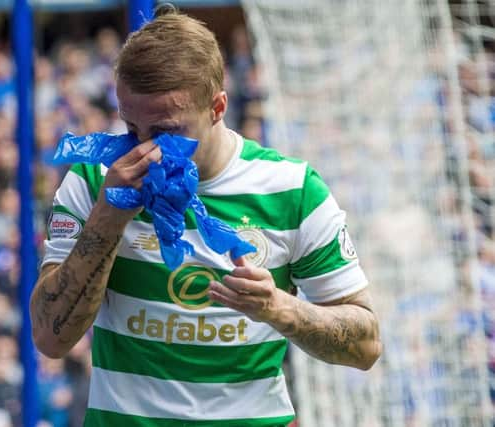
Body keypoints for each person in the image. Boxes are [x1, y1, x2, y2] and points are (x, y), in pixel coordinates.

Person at [31, 7, 382, 426]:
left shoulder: (292, 189)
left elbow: (365, 345)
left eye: (166, 132)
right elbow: (50, 337)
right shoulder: (96, 180)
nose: (146, 150)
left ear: (217, 107)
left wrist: (278, 308)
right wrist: (109, 216)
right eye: (130, 127)